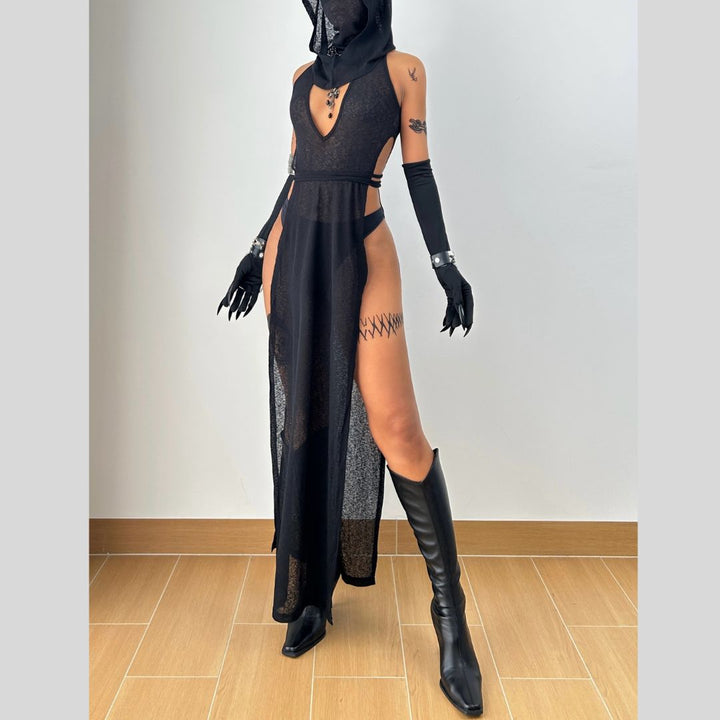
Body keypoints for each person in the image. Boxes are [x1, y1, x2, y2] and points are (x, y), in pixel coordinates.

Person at [217, 1, 482, 715]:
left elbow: (418, 174)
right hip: (293, 256)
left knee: (396, 427)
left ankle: (450, 616)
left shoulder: (404, 72)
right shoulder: (301, 78)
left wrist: (445, 263)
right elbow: (296, 173)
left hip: (363, 254)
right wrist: (256, 250)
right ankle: (309, 593)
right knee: (305, 419)